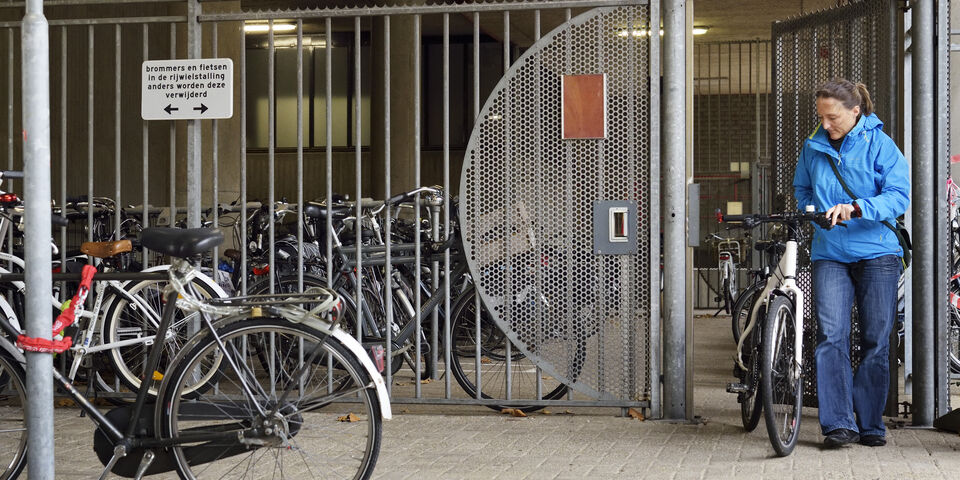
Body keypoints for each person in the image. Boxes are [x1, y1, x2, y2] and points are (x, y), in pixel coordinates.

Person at [793, 78, 909, 448]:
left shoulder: (881, 144)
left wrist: (857, 208)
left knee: (875, 339)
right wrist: (814, 213)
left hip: (877, 253)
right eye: (821, 117)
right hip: (830, 253)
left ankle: (871, 423)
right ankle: (839, 424)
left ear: (855, 112)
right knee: (831, 337)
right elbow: (802, 190)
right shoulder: (813, 146)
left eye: (833, 117)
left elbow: (899, 196)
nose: (825, 124)